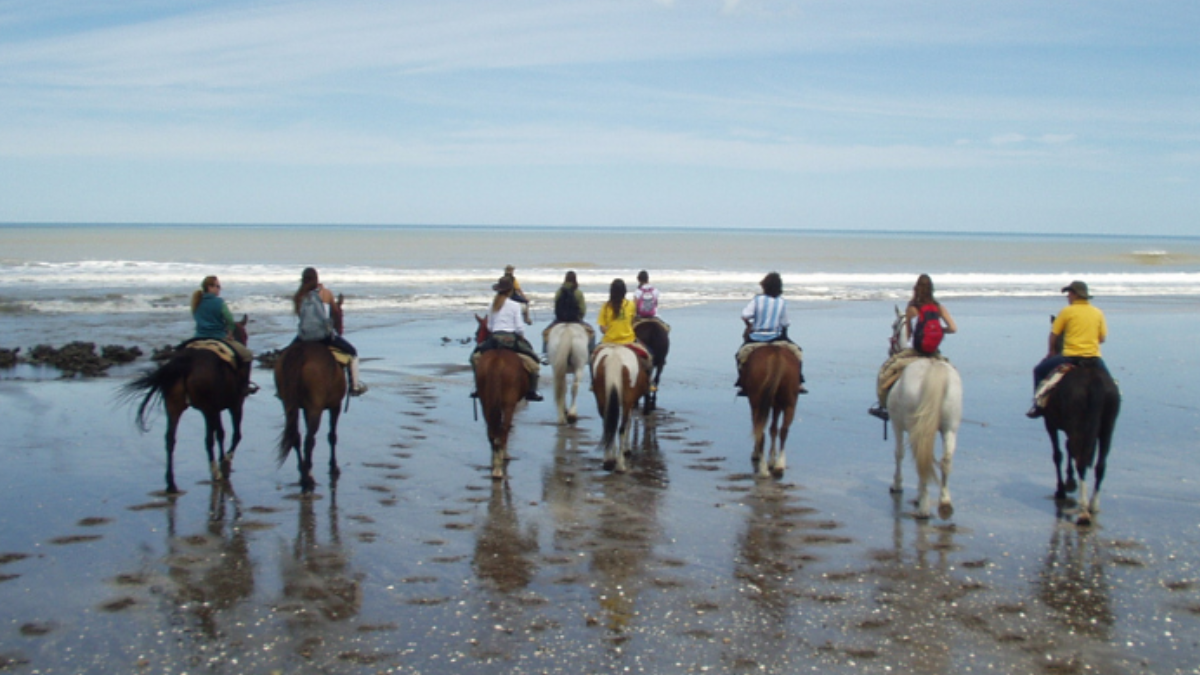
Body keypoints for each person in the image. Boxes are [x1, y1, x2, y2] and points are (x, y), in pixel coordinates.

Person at [869, 274, 957, 420]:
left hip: (916, 351)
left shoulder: (912, 308)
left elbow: (909, 335)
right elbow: (953, 328)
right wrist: (940, 329)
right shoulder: (939, 307)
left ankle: (884, 407)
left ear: (916, 289)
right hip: (934, 352)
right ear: (932, 289)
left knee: (886, 371)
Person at [1026, 280, 1108, 418]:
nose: (1068, 296)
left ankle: (1038, 406)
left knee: (1038, 371)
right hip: (1094, 358)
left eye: (1069, 293)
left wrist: (1051, 352)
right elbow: (1102, 339)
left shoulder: (1067, 312)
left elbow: (1054, 334)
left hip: (1070, 356)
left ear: (1075, 294)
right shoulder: (1098, 313)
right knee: (1110, 384)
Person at [292, 267, 368, 395]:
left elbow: (302, 318)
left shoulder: (298, 296)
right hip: (323, 336)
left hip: (304, 337)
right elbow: (334, 314)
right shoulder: (326, 293)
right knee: (353, 353)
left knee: (286, 357)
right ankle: (354, 386)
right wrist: (338, 307)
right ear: (317, 279)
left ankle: (284, 388)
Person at [735, 272, 806, 396]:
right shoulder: (782, 302)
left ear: (764, 286)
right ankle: (798, 382)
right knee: (798, 353)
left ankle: (743, 383)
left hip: (757, 337)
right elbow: (786, 322)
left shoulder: (757, 300)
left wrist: (751, 323)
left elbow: (745, 315)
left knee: (740, 355)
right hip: (777, 337)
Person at [476, 276, 542, 401]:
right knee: (534, 363)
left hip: (494, 338)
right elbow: (519, 327)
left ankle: (478, 388)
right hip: (511, 339)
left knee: (475, 358)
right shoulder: (515, 305)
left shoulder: (492, 305)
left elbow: (489, 326)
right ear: (510, 290)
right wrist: (521, 336)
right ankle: (532, 391)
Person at [191, 275, 256, 395]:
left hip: (198, 338)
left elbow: (196, 318)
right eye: (217, 286)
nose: (219, 289)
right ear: (209, 287)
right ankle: (244, 385)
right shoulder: (219, 302)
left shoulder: (196, 302)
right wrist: (230, 332)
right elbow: (230, 320)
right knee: (247, 355)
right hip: (218, 337)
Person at [596, 278, 653, 373]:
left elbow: (602, 328)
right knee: (648, 357)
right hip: (628, 341)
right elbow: (632, 322)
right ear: (624, 291)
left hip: (609, 341)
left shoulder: (605, 306)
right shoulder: (631, 305)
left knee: (592, 357)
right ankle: (649, 383)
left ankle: (594, 383)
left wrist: (611, 331)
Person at [541, 270, 595, 354]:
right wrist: (579, 318)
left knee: (545, 333)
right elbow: (582, 309)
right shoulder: (578, 293)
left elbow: (556, 307)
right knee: (592, 333)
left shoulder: (559, 291)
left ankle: (545, 354)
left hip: (560, 320)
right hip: (575, 320)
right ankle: (590, 353)